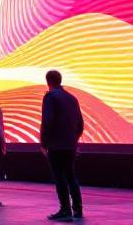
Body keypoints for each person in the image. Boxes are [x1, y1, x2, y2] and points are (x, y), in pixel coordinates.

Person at [41, 70, 84, 222]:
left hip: (56, 145)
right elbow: (80, 123)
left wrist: (44, 143)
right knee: (71, 176)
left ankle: (65, 210)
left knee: (59, 177)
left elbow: (48, 121)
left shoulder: (50, 97)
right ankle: (77, 209)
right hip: (70, 144)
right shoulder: (72, 98)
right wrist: (74, 140)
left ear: (48, 81)